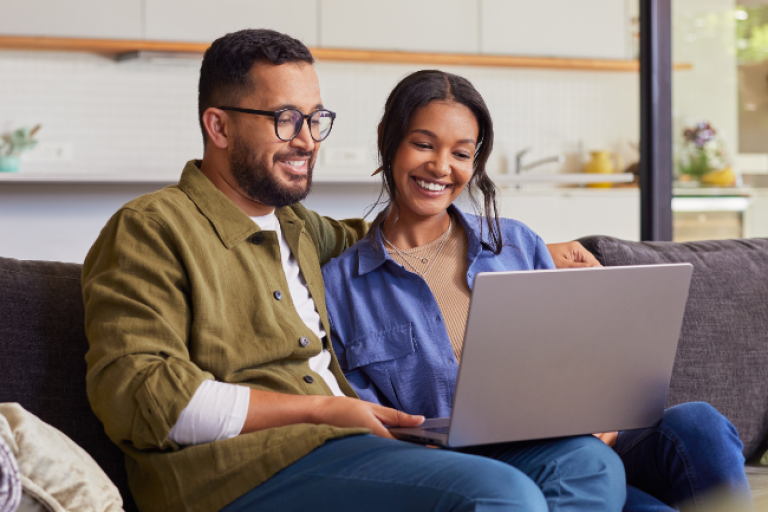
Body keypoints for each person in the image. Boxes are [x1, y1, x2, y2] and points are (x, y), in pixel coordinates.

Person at [82, 29, 623, 512]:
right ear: (218, 126)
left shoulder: (296, 228)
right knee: (498, 494)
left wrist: (524, 246)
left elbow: (393, 237)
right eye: (284, 119)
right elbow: (140, 397)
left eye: (315, 120)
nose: (307, 141)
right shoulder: (152, 227)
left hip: (350, 447)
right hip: (238, 472)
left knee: (586, 466)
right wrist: (321, 409)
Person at [322, 70, 753, 512]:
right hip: (482, 466)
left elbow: (577, 356)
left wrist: (600, 407)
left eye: (461, 153)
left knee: (699, 422)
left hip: (587, 440)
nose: (441, 167)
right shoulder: (340, 288)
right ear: (388, 139)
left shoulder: (517, 244)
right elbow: (374, 428)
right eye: (424, 144)